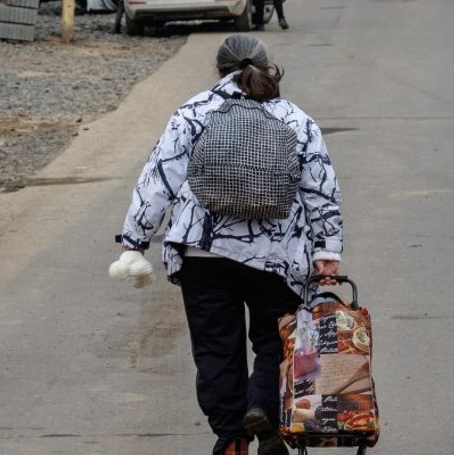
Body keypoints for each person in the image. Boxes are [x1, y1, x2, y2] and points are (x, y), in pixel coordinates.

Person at [115, 34, 343, 455]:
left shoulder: (194, 112)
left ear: (219, 72)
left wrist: (134, 241)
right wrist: (327, 250)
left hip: (205, 253)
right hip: (276, 257)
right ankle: (263, 408)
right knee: (276, 340)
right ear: (266, 68)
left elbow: (159, 179)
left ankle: (231, 437)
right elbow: (320, 188)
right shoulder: (295, 118)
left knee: (216, 347)